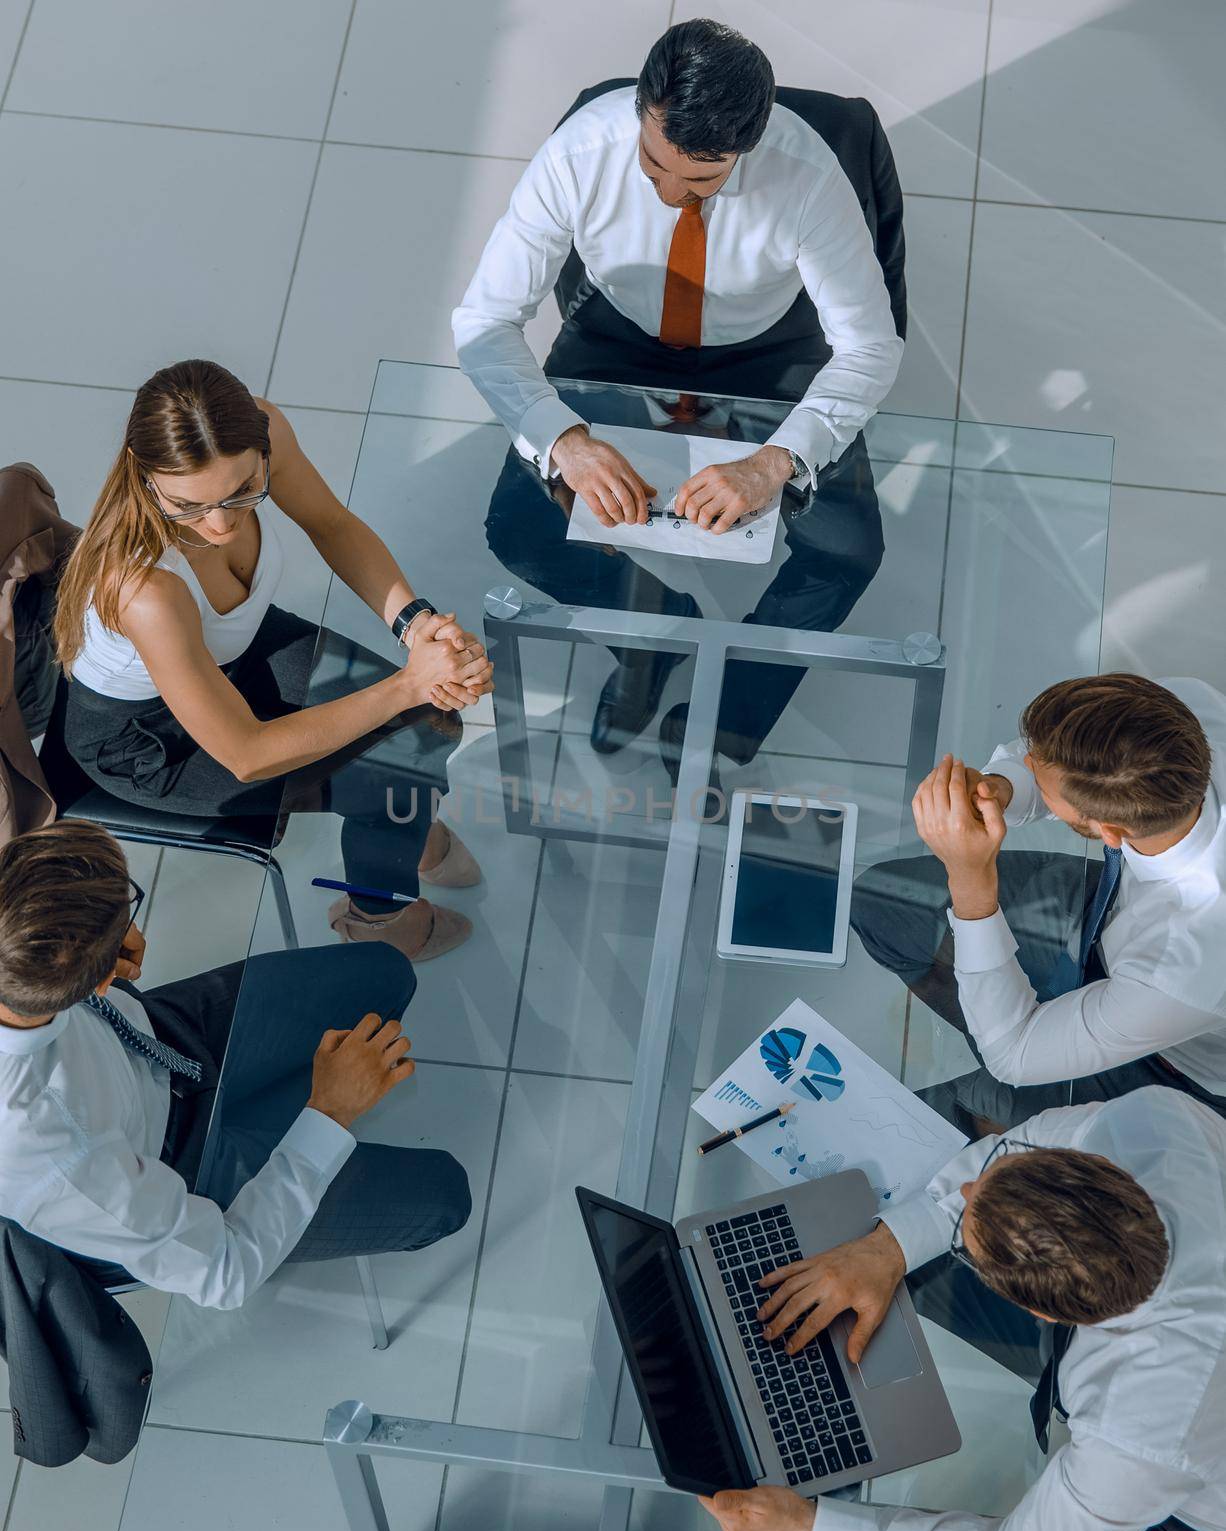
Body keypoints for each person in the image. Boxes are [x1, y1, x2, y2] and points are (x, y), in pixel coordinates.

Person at [454, 19, 902, 771]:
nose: (668, 194)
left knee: (847, 553)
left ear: (746, 147)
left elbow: (870, 346)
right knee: (520, 529)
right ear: (640, 111)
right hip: (618, 333)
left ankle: (730, 713)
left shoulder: (809, 176)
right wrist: (565, 440)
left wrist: (773, 463)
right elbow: (485, 320)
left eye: (699, 181)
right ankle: (649, 635)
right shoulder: (580, 151)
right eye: (653, 164)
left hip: (767, 346)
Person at [700, 1086, 1226, 1531]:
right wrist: (887, 1249)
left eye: (969, 1248)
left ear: (1039, 1313)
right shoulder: (1157, 1123)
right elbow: (1032, 1138)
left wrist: (806, 1526)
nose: (965, 1191)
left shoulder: (1136, 1429)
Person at [54, 359, 493, 962]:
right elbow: (247, 754)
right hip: (149, 742)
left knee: (428, 735)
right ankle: (378, 916)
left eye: (243, 492)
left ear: (261, 451)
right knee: (398, 775)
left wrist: (414, 624)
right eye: (189, 505)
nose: (220, 524)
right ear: (145, 475)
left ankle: (400, 828)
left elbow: (331, 523)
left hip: (232, 649)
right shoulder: (145, 588)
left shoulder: (266, 427)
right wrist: (410, 683)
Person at [0, 819, 471, 1309]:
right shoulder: (51, 1159)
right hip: (176, 1170)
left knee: (388, 973)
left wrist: (102, 931)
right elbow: (224, 1272)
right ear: (96, 982)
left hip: (159, 1035)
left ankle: (282, 1116)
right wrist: (330, 1112)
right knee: (446, 1198)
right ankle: (293, 1121)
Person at [851, 673, 1226, 1134]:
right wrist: (1002, 788)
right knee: (880, 902)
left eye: (1041, 777)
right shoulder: (1187, 709)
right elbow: (1066, 768)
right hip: (1110, 917)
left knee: (956, 1110)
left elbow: (1012, 1055)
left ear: (1110, 832)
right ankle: (990, 1006)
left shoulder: (1184, 968)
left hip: (1168, 1060)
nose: (1026, 762)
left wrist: (971, 879)